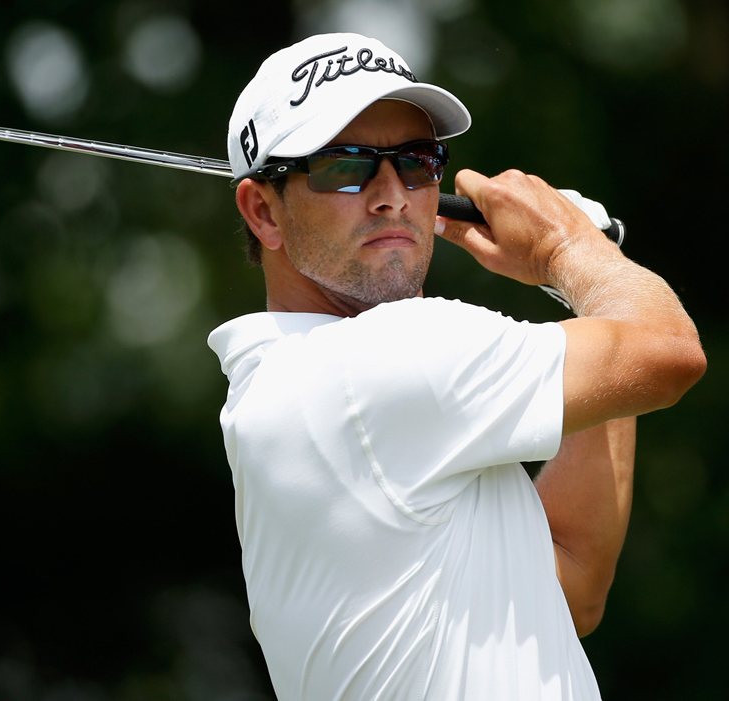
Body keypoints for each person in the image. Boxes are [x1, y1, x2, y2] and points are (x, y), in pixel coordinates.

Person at [207, 33, 706, 700]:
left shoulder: (294, 388)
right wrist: (569, 248)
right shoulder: (376, 362)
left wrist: (585, 284)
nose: (392, 195)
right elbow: (669, 353)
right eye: (345, 167)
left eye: (415, 163)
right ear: (263, 210)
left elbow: (572, 581)